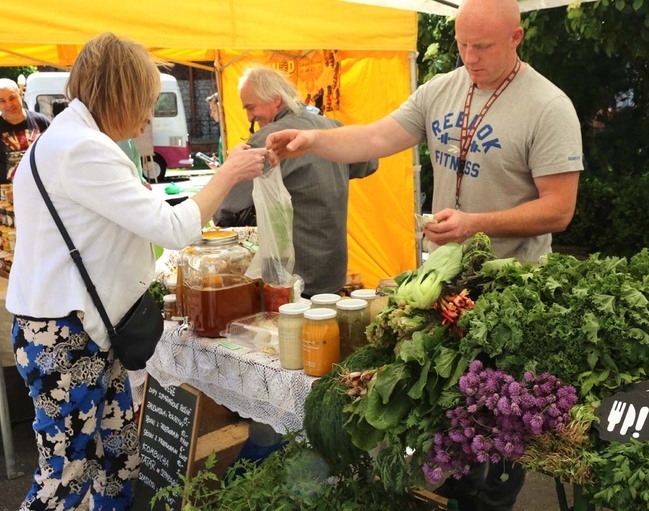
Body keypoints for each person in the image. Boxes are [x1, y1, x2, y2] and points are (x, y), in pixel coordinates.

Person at [266, 0, 583, 508]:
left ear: (516, 38)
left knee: (498, 425)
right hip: (444, 288)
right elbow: (375, 136)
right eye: (462, 44)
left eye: (482, 46)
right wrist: (312, 139)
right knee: (449, 416)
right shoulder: (441, 90)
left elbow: (559, 210)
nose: (469, 57)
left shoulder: (549, 105)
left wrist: (473, 225)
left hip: (512, 296)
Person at [6, 32, 267, 511]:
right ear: (120, 93)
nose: (148, 116)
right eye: (144, 102)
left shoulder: (68, 140)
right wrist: (228, 173)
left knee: (118, 461)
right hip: (66, 336)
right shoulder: (81, 147)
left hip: (81, 331)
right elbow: (171, 228)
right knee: (64, 480)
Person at [215, 65, 378, 297]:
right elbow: (370, 162)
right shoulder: (332, 127)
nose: (249, 116)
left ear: (276, 101)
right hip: (334, 271)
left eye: (251, 107)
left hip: (291, 277)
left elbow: (224, 206)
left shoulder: (269, 138)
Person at [0, 78, 51, 200]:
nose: (9, 104)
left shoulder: (41, 122)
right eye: (2, 101)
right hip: (5, 199)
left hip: (39, 193)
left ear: (20, 94)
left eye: (12, 97)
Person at [205, 92, 224, 165]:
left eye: (214, 110)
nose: (211, 114)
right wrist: (218, 162)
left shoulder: (228, 135)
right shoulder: (223, 134)